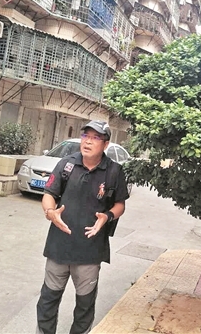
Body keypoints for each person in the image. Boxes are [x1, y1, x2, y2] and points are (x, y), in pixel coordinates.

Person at [37, 120, 130, 334]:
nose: (88, 141)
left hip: (90, 251)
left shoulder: (113, 171)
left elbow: (120, 205)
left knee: (84, 307)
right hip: (59, 247)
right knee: (48, 301)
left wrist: (107, 216)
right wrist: (51, 212)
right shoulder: (66, 165)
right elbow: (49, 194)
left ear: (105, 144)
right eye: (85, 136)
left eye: (95, 138)